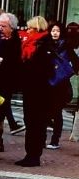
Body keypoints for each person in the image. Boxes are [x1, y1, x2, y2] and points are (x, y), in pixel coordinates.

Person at [17, 16, 56, 166]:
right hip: (31, 89)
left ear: (37, 29)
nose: (28, 31)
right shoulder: (31, 44)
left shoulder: (44, 45)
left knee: (37, 122)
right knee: (30, 121)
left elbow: (43, 70)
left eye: (30, 28)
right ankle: (30, 153)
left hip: (40, 90)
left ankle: (34, 155)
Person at [0, 13, 22, 159]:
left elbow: (16, 65)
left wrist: (3, 62)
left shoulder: (15, 42)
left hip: (4, 84)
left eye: (3, 26)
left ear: (11, 28)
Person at [45, 21, 78, 149]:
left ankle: (55, 140)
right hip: (47, 82)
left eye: (57, 31)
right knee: (46, 111)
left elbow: (76, 62)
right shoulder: (46, 44)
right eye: (53, 30)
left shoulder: (66, 46)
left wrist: (68, 71)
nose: (55, 33)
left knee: (57, 112)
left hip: (60, 84)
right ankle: (42, 138)